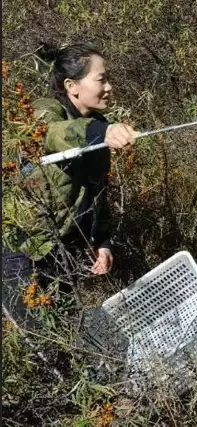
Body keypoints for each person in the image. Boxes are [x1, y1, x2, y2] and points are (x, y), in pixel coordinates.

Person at [2, 43, 138, 315]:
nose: (109, 87)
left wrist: (102, 242)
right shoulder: (44, 110)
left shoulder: (99, 128)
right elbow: (52, 134)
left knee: (64, 325)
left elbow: (97, 194)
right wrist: (102, 132)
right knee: (31, 334)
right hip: (20, 248)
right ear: (72, 86)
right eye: (101, 79)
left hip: (61, 253)